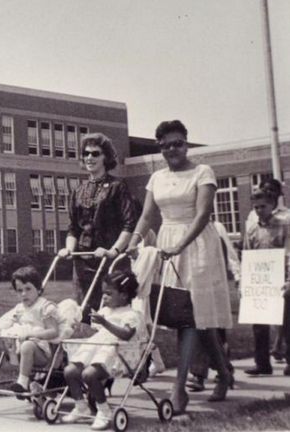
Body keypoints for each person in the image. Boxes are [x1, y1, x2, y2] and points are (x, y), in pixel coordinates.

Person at [127, 120, 233, 414]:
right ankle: (224, 374)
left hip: (198, 246)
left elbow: (202, 215)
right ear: (160, 148)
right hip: (167, 244)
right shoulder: (156, 178)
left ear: (186, 143)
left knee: (191, 317)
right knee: (192, 317)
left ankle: (179, 388)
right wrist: (134, 241)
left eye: (178, 143)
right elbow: (147, 216)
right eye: (166, 145)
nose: (172, 149)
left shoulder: (203, 172)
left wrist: (181, 245)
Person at [58, 133, 139, 318]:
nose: (89, 158)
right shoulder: (78, 191)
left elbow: (129, 224)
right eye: (86, 154)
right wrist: (68, 249)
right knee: (84, 311)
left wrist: (114, 250)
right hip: (83, 261)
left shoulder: (118, 187)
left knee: (112, 312)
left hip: (110, 259)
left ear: (106, 157)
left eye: (95, 154)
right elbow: (73, 228)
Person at [62, 270, 145, 430]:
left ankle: (104, 411)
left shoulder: (132, 315)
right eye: (103, 293)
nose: (104, 297)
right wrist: (80, 327)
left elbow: (126, 335)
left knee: (89, 374)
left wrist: (105, 323)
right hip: (99, 349)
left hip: (119, 355)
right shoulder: (105, 311)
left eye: (109, 293)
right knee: (70, 371)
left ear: (124, 295)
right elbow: (96, 333)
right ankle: (81, 405)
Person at [0, 266, 60, 395]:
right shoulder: (19, 308)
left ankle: (23, 382)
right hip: (17, 348)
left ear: (38, 288)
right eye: (19, 291)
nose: (24, 294)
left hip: (39, 352)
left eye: (28, 289)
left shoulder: (45, 307)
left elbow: (53, 331)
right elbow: (5, 320)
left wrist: (32, 334)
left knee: (27, 345)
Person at [243, 188, 290, 376]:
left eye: (263, 206)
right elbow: (247, 254)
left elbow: (289, 254)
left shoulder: (284, 226)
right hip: (260, 281)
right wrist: (245, 282)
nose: (260, 210)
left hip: (280, 279)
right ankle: (262, 363)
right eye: (256, 207)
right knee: (259, 325)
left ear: (272, 205)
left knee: (286, 323)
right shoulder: (252, 229)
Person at [187, 220, 238, 391]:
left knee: (216, 333)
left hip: (214, 285)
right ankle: (199, 375)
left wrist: (237, 275)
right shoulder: (185, 229)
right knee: (199, 328)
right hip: (197, 285)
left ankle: (223, 371)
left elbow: (230, 254)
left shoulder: (216, 228)